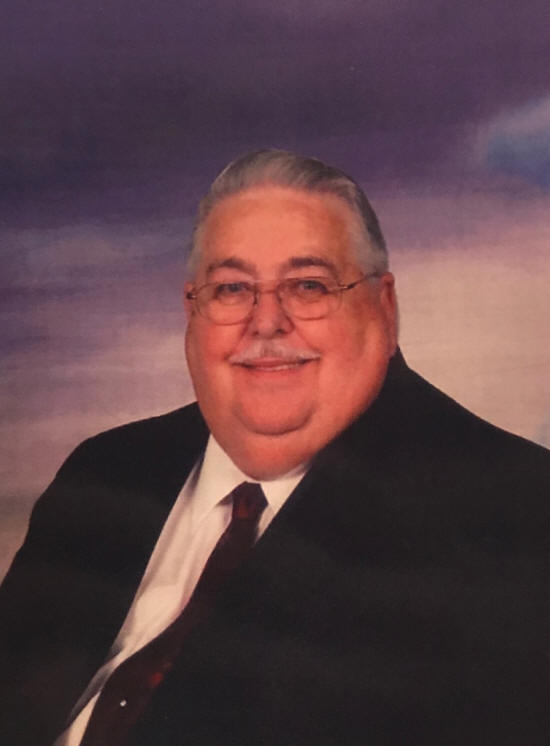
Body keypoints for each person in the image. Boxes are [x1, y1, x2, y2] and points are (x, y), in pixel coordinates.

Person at [1, 149, 550, 746]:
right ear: (192, 309)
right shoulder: (107, 471)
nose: (266, 322)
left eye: (308, 285)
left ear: (384, 306)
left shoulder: (515, 510)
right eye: (232, 288)